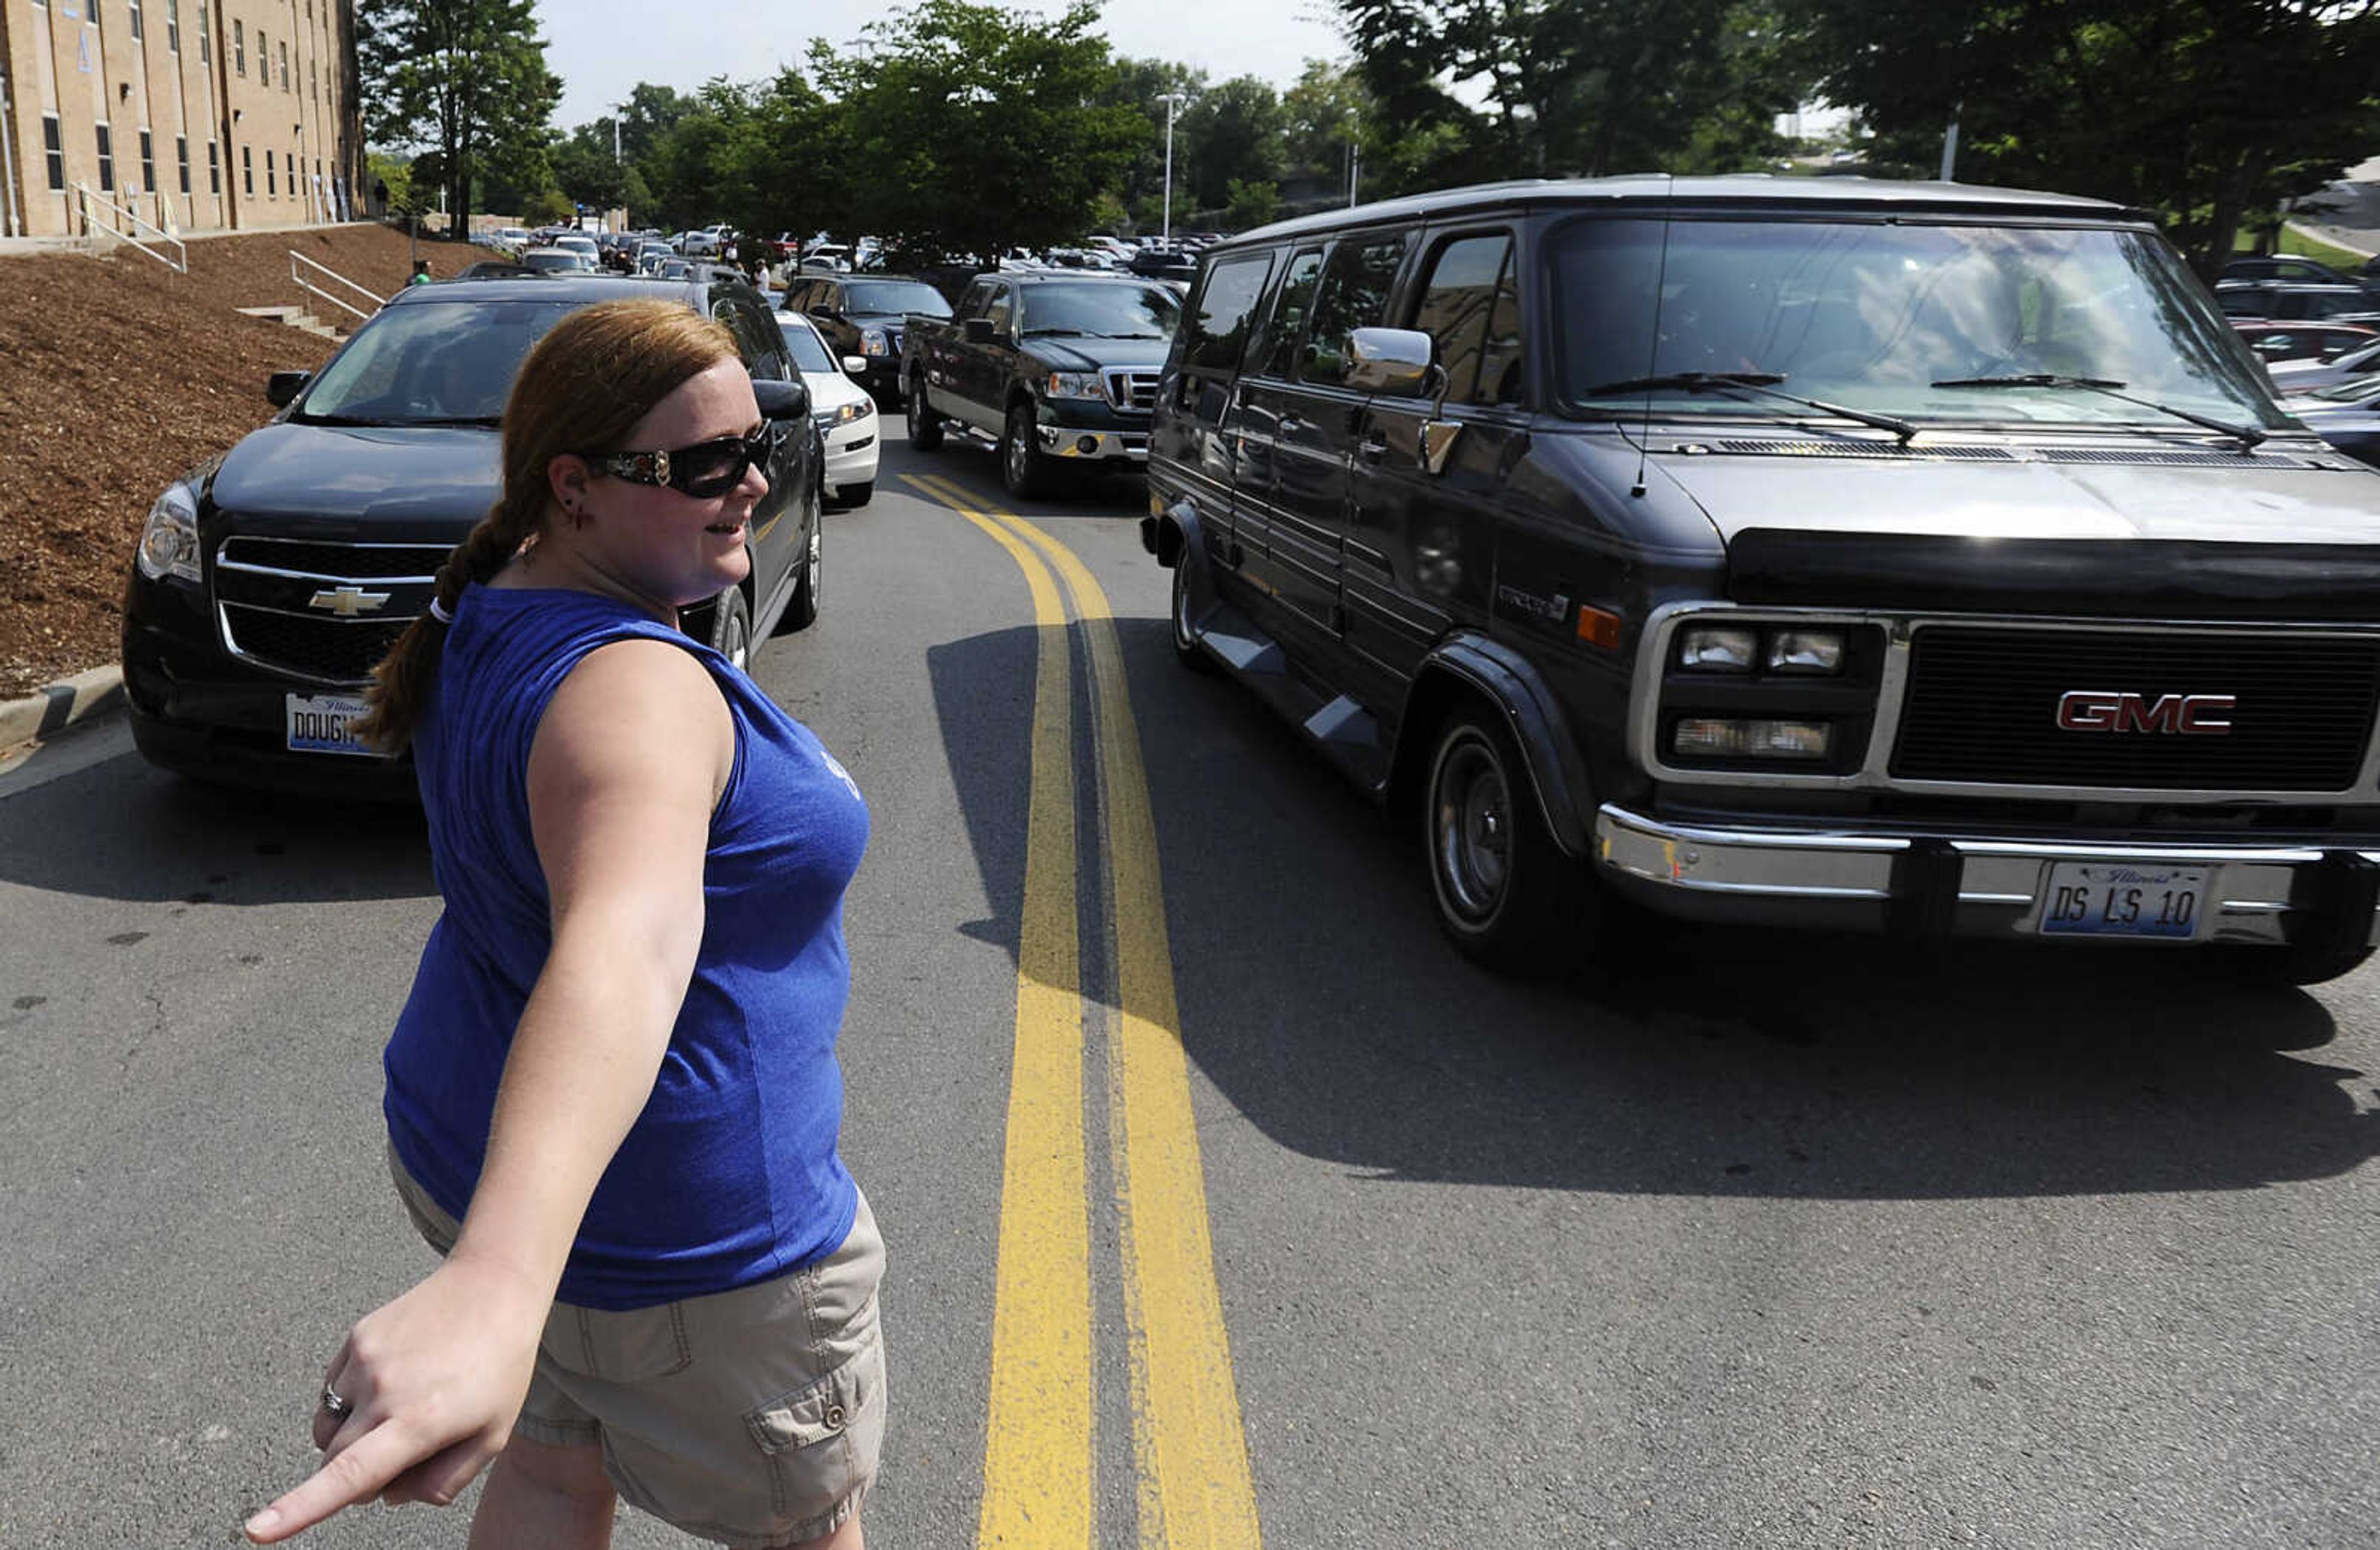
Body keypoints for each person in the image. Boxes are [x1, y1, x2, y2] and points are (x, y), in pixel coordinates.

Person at [243, 298, 883, 1549]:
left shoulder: (484, 603)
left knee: (549, 1471)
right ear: (575, 485)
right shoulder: (638, 688)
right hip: (687, 1246)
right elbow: (624, 947)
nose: (752, 481)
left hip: (473, 1160)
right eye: (703, 464)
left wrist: (500, 1263)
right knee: (806, 1529)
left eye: (760, 442)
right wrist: (495, 1283)